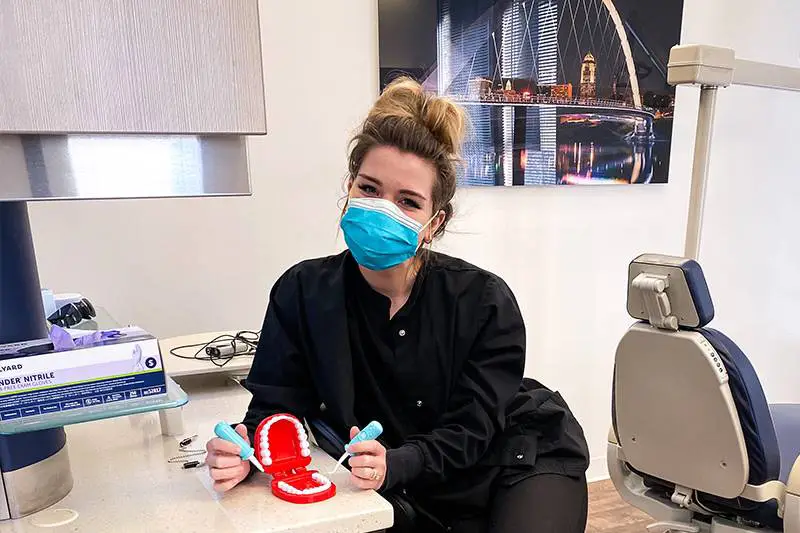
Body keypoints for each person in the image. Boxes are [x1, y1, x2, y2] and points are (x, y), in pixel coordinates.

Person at [205, 77, 590, 533]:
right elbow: (276, 408)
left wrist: (399, 462)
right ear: (349, 188)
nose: (383, 209)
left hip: (514, 458)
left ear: (434, 223)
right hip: (399, 483)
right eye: (369, 189)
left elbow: (474, 428)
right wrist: (245, 452)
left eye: (408, 201)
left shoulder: (483, 300)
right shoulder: (302, 292)